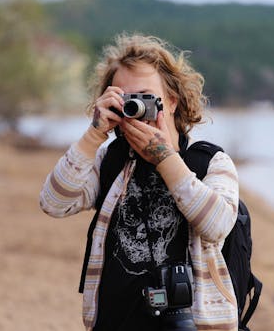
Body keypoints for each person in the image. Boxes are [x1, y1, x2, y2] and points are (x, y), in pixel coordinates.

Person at [39, 33, 239, 331]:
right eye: (124, 99)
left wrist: (164, 158)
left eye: (144, 97)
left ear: (171, 101)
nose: (134, 107)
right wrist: (94, 134)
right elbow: (54, 203)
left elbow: (218, 225)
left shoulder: (210, 162)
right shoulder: (111, 160)